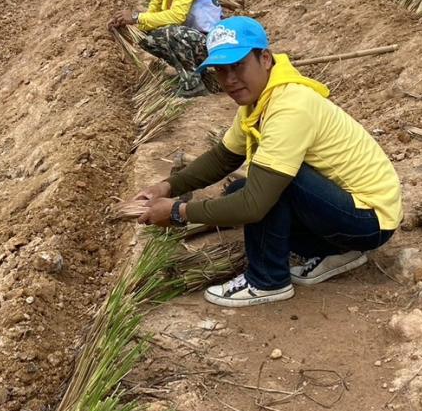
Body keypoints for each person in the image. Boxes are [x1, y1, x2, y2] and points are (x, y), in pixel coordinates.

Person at [130, 17, 401, 308]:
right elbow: (223, 157)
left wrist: (178, 212)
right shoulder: (260, 99)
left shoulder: (290, 106)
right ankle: (337, 251)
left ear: (265, 59)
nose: (230, 79)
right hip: (348, 210)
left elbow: (255, 205)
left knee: (264, 191)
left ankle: (267, 281)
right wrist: (166, 187)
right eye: (221, 71)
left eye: (238, 66)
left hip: (369, 220)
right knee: (241, 192)